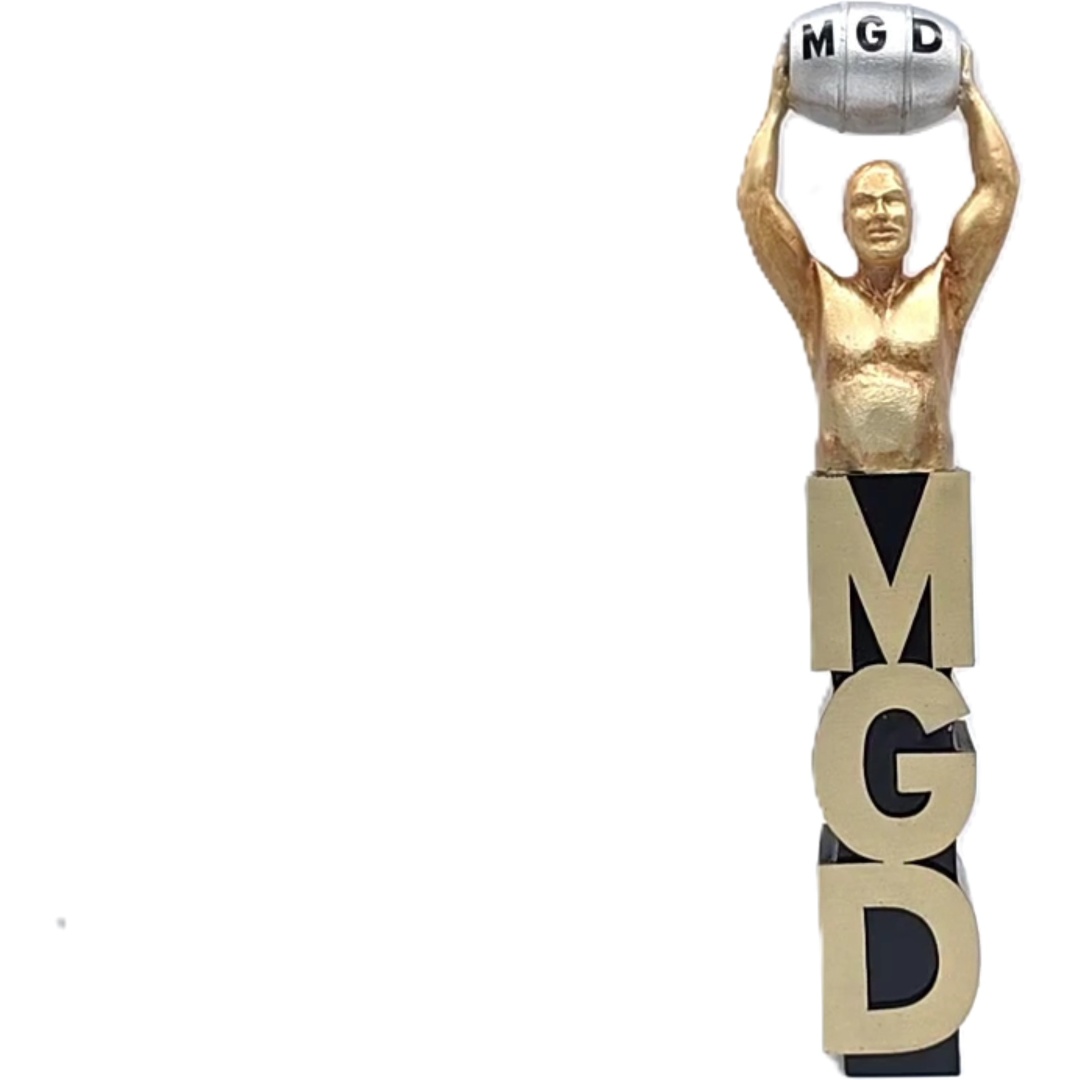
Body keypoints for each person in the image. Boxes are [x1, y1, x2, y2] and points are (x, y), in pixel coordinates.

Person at [737, 45, 1018, 473]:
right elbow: (756, 199)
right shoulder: (817, 295)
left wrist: (971, 97)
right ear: (846, 223)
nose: (881, 214)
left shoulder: (947, 289)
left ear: (912, 215)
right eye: (864, 203)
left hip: (930, 483)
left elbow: (999, 187)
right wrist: (775, 111)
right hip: (842, 486)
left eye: (893, 200)